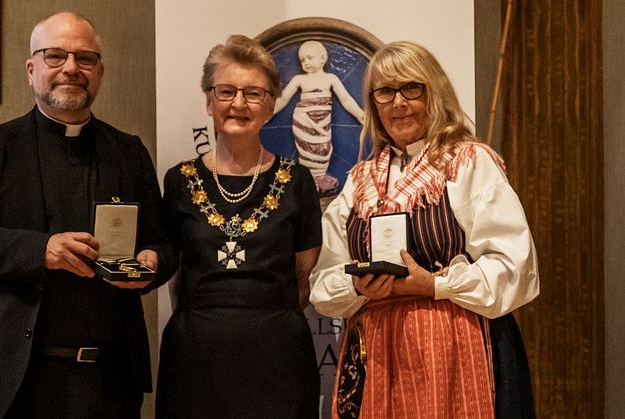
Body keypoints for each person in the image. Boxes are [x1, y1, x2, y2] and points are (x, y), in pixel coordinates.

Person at [0, 12, 174, 419]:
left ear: (99, 71)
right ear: (31, 68)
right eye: (55, 56)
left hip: (110, 380)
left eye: (85, 58)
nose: (71, 69)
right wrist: (41, 250)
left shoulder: (128, 151)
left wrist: (153, 262)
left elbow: (163, 243)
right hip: (14, 380)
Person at [309, 41, 539, 418]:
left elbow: (514, 265)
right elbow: (324, 280)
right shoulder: (360, 179)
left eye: (411, 88)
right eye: (385, 91)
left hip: (453, 345)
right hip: (376, 352)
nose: (398, 102)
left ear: (435, 92)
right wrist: (355, 285)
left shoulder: (467, 161)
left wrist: (436, 285)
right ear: (373, 104)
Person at [156, 35, 322, 418]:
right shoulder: (178, 181)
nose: (239, 104)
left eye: (253, 93)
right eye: (226, 91)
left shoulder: (298, 181)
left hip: (278, 358)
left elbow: (300, 280)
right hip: (195, 359)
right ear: (209, 101)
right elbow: (176, 277)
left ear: (271, 105)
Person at [273, 40, 364, 197]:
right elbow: (283, 99)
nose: (305, 63)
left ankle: (319, 181)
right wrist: (269, 113)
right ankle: (308, 181)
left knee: (323, 149)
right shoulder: (299, 80)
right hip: (303, 122)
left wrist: (361, 115)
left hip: (322, 125)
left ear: (323, 58)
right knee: (307, 151)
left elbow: (346, 100)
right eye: (302, 60)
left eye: (310, 58)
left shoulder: (331, 78)